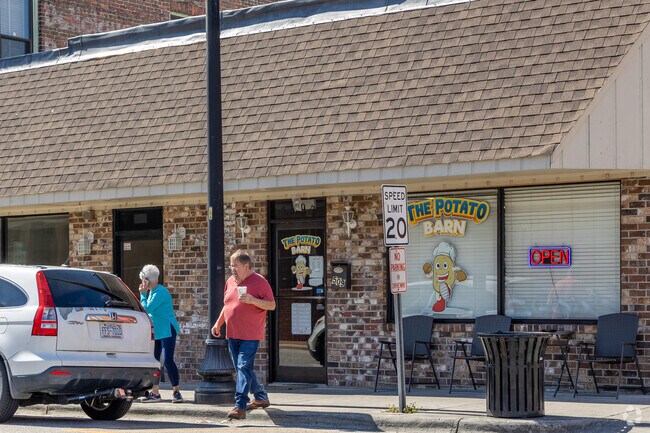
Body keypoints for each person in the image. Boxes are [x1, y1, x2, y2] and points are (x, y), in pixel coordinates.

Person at [211, 250, 276, 420]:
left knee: (243, 366)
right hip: (232, 333)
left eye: (235, 266)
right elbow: (227, 305)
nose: (232, 269)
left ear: (246, 266)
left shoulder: (260, 282)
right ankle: (261, 396)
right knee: (243, 368)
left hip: (250, 334)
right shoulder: (230, 281)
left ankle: (240, 406)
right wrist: (218, 323)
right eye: (231, 265)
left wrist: (253, 300)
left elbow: (271, 305)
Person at [138, 264, 183, 403]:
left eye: (143, 280)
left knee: (168, 360)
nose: (142, 283)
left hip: (167, 329)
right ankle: (155, 392)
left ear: (147, 280)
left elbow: (147, 308)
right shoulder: (153, 292)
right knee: (155, 362)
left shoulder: (160, 292)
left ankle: (176, 391)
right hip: (157, 330)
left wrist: (142, 294)